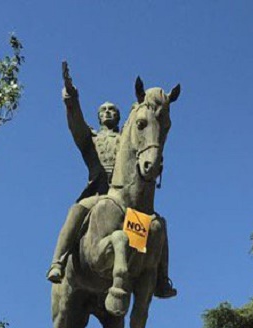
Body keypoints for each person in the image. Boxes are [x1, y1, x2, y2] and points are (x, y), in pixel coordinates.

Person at [47, 67, 177, 299]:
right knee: (77, 210)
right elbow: (76, 124)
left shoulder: (130, 136)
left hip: (128, 197)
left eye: (112, 110)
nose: (108, 112)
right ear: (98, 117)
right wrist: (71, 99)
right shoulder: (92, 139)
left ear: (119, 117)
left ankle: (160, 278)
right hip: (100, 194)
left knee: (157, 226)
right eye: (103, 110)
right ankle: (58, 261)